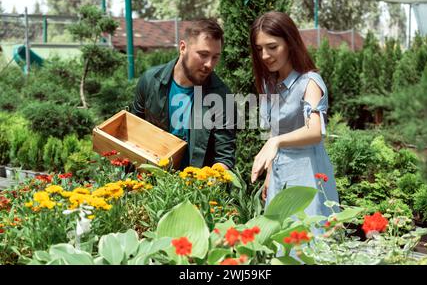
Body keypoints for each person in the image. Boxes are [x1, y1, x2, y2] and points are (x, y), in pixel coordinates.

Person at [250, 11, 339, 219]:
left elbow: (315, 131)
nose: (264, 55)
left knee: (306, 240)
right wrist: (270, 174)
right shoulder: (268, 84)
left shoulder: (310, 82)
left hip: (307, 173)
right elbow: (274, 131)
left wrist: (275, 143)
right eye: (259, 49)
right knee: (281, 241)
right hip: (280, 175)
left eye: (272, 47)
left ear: (290, 43)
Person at [131, 19, 236, 170]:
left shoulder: (222, 96)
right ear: (182, 48)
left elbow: (224, 156)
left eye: (215, 57)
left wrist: (211, 181)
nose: (209, 64)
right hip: (152, 181)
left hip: (196, 186)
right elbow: (134, 131)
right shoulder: (150, 81)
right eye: (203, 54)